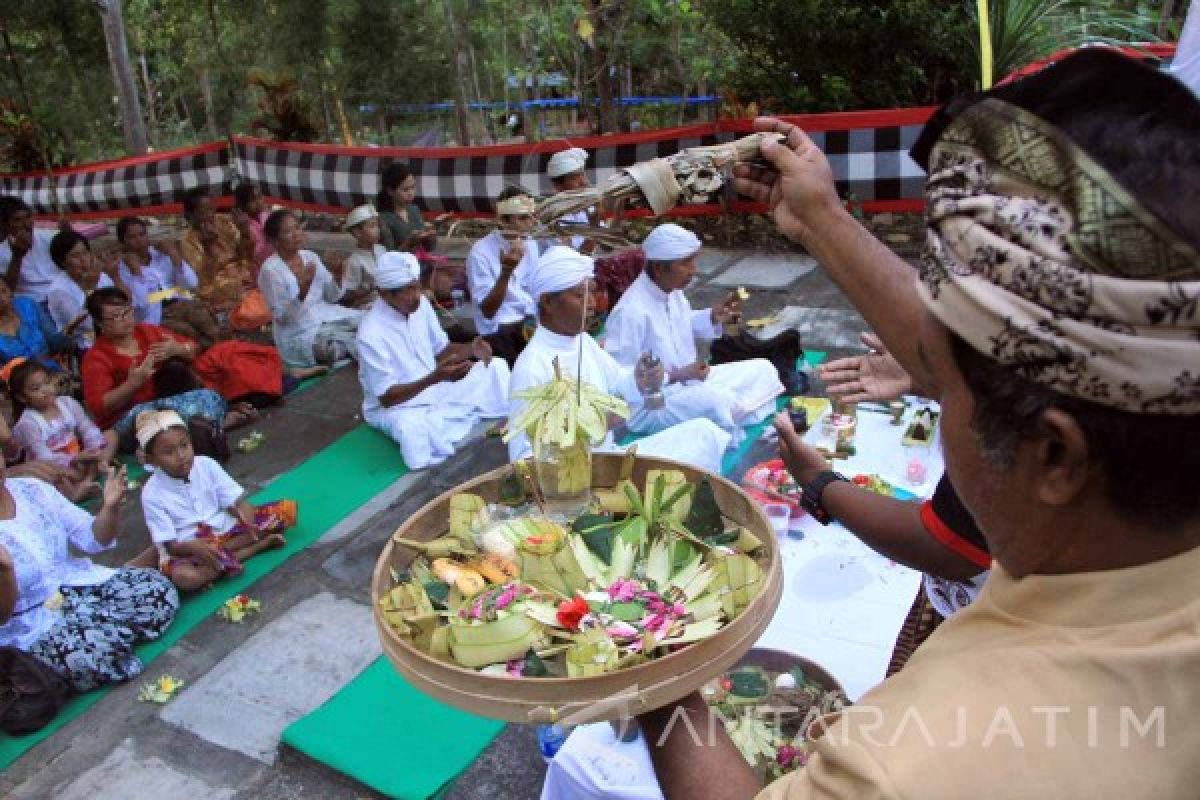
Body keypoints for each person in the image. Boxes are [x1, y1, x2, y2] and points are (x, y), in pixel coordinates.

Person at [640, 50, 1200, 799]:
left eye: (941, 388)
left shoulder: (920, 763)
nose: (928, 391)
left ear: (1056, 457)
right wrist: (818, 218)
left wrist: (657, 673)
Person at [509, 246, 731, 474]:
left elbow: (617, 382)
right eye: (579, 295)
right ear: (547, 302)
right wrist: (590, 428)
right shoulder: (532, 367)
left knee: (703, 434)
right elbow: (524, 460)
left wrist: (640, 380)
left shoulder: (583, 342)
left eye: (592, 292)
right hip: (580, 480)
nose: (592, 303)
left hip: (609, 458)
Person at [0, 459, 179, 692]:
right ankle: (103, 640)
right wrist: (5, 571)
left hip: (79, 586)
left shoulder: (31, 489)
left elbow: (93, 538)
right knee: (81, 657)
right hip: (31, 624)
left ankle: (104, 637)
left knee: (157, 592)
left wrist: (110, 506)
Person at [604, 223, 783, 437]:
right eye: (686, 263)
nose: (693, 269)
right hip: (651, 406)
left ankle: (725, 413)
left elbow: (684, 323)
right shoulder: (630, 312)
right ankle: (725, 415)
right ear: (660, 268)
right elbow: (619, 380)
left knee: (763, 369)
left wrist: (712, 316)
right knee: (713, 401)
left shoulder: (671, 291)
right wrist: (675, 376)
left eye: (693, 261)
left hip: (690, 382)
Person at [356, 252, 510, 469]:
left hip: (436, 387)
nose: (416, 295)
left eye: (416, 286)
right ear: (384, 295)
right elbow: (387, 398)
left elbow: (443, 350)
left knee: (496, 367)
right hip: (400, 407)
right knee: (411, 430)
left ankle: (454, 418)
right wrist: (434, 378)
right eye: (407, 291)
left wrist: (472, 348)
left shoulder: (421, 306)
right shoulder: (370, 333)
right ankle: (452, 420)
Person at [136, 410, 296, 592]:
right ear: (152, 460)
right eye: (168, 452)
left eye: (184, 445)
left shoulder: (205, 464)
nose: (181, 455)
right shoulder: (151, 493)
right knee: (185, 578)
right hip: (188, 549)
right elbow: (170, 546)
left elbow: (236, 502)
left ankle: (221, 564)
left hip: (224, 531)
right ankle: (254, 548)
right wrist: (194, 548)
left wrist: (245, 518)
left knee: (282, 512)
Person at [81, 287, 258, 450]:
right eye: (116, 316)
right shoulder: (96, 357)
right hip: (132, 419)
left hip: (168, 404)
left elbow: (193, 348)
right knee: (158, 414)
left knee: (187, 379)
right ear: (100, 324)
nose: (126, 319)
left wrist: (178, 349)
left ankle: (209, 424)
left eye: (127, 312)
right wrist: (132, 384)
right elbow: (98, 407)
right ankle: (216, 424)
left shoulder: (146, 332)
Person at [258, 209, 363, 369]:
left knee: (368, 322)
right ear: (274, 241)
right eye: (288, 231)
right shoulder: (270, 271)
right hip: (299, 333)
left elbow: (332, 296)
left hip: (326, 317)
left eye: (297, 228)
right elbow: (283, 318)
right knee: (337, 346)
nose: (296, 234)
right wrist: (302, 291)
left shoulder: (310, 257)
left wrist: (337, 274)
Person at [9, 360, 118, 503]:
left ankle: (92, 473)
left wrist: (94, 450)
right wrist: (75, 459)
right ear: (22, 397)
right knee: (53, 475)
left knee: (111, 435)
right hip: (58, 465)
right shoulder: (27, 423)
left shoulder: (67, 403)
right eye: (36, 389)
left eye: (47, 382)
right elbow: (44, 457)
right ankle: (80, 487)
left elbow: (87, 428)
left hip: (80, 459)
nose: (45, 390)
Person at [115, 217, 219, 349]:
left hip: (181, 303)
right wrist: (136, 272)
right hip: (156, 315)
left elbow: (192, 284)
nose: (139, 241)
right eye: (132, 237)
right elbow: (140, 304)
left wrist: (174, 254)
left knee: (209, 325)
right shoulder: (121, 268)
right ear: (123, 242)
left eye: (142, 234)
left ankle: (218, 354)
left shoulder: (161, 254)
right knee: (189, 333)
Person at [466, 186, 539, 364]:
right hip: (500, 330)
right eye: (523, 218)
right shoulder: (480, 252)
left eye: (531, 216)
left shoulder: (531, 244)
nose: (531, 222)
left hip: (529, 322)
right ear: (503, 221)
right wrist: (506, 271)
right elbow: (488, 312)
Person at [179, 188, 257, 313]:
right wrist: (209, 248)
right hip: (217, 283)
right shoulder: (188, 242)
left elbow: (246, 256)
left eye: (211, 209)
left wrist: (245, 233)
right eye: (203, 212)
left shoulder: (223, 221)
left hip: (242, 272)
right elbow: (202, 280)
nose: (210, 216)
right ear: (190, 217)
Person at [0, 277, 71, 378]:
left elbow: (52, 338)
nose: (2, 298)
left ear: (10, 290)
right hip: (20, 383)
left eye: (3, 291)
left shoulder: (26, 305)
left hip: (53, 370)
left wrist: (71, 333)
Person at [0, 198, 67, 304]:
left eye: (28, 217)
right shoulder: (2, 251)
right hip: (33, 303)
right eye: (17, 220)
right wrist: (17, 257)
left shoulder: (49, 237)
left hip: (62, 294)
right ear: (5, 225)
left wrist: (69, 236)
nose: (26, 224)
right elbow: (7, 290)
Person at [544, 147, 599, 254]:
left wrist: (618, 215)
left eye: (582, 175)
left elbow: (608, 246)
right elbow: (576, 258)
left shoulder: (588, 207)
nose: (584, 182)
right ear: (558, 186)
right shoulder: (551, 218)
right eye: (574, 178)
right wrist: (594, 227)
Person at [375, 162, 437, 253]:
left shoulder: (414, 210)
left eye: (413, 187)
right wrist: (409, 243)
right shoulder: (383, 218)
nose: (411, 193)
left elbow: (428, 249)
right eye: (405, 189)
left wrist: (430, 237)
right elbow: (389, 256)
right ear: (390, 191)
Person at [340, 204, 383, 307]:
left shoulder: (381, 249)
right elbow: (347, 294)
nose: (377, 230)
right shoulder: (354, 261)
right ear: (357, 232)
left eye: (377, 225)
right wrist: (368, 287)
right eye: (372, 226)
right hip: (368, 304)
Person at [232, 182, 273, 269]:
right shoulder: (241, 226)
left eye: (259, 196)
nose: (259, 202)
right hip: (259, 269)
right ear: (243, 205)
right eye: (253, 200)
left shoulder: (266, 215)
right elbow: (249, 256)